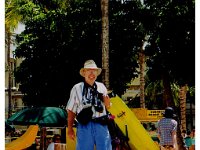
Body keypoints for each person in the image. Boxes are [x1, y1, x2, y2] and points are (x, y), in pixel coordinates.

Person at [66, 59, 112, 150]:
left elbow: (108, 107)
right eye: (89, 70)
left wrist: (107, 103)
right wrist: (70, 129)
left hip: (101, 124)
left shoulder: (102, 86)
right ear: (84, 73)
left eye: (94, 70)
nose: (92, 73)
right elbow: (71, 110)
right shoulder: (77, 88)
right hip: (84, 126)